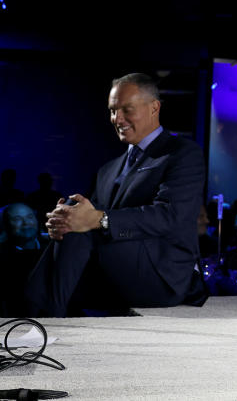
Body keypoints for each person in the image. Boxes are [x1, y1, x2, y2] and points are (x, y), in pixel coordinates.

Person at [25, 74, 206, 316]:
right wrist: (65, 217)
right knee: (72, 214)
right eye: (112, 110)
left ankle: (44, 321)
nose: (117, 119)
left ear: (154, 107)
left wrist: (98, 219)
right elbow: (88, 213)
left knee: (83, 227)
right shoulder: (108, 169)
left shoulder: (182, 154)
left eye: (126, 109)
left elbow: (169, 215)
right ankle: (38, 317)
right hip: (116, 268)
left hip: (163, 275)